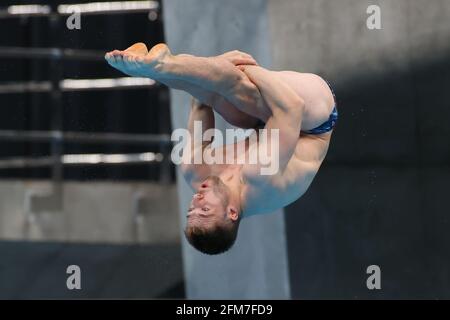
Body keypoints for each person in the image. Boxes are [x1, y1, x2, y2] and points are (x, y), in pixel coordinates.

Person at [105, 43, 338, 255]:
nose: (196, 199)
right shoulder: (261, 177)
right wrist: (246, 70)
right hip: (314, 120)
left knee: (215, 94)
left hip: (266, 123)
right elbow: (292, 107)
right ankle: (158, 66)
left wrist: (219, 65)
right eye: (205, 209)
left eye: (191, 209)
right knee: (240, 88)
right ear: (232, 213)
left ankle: (151, 70)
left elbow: (199, 100)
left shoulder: (196, 171)